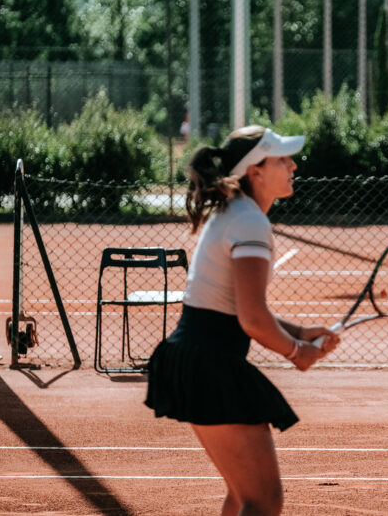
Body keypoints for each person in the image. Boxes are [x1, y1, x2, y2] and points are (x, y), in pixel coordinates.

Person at [145, 125, 340, 516]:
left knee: (242, 496)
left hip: (196, 358)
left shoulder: (235, 213)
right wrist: (297, 351)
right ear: (256, 171)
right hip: (210, 364)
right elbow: (252, 318)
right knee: (263, 501)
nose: (293, 166)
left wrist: (300, 332)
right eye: (282, 159)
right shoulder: (249, 222)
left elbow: (234, 309)